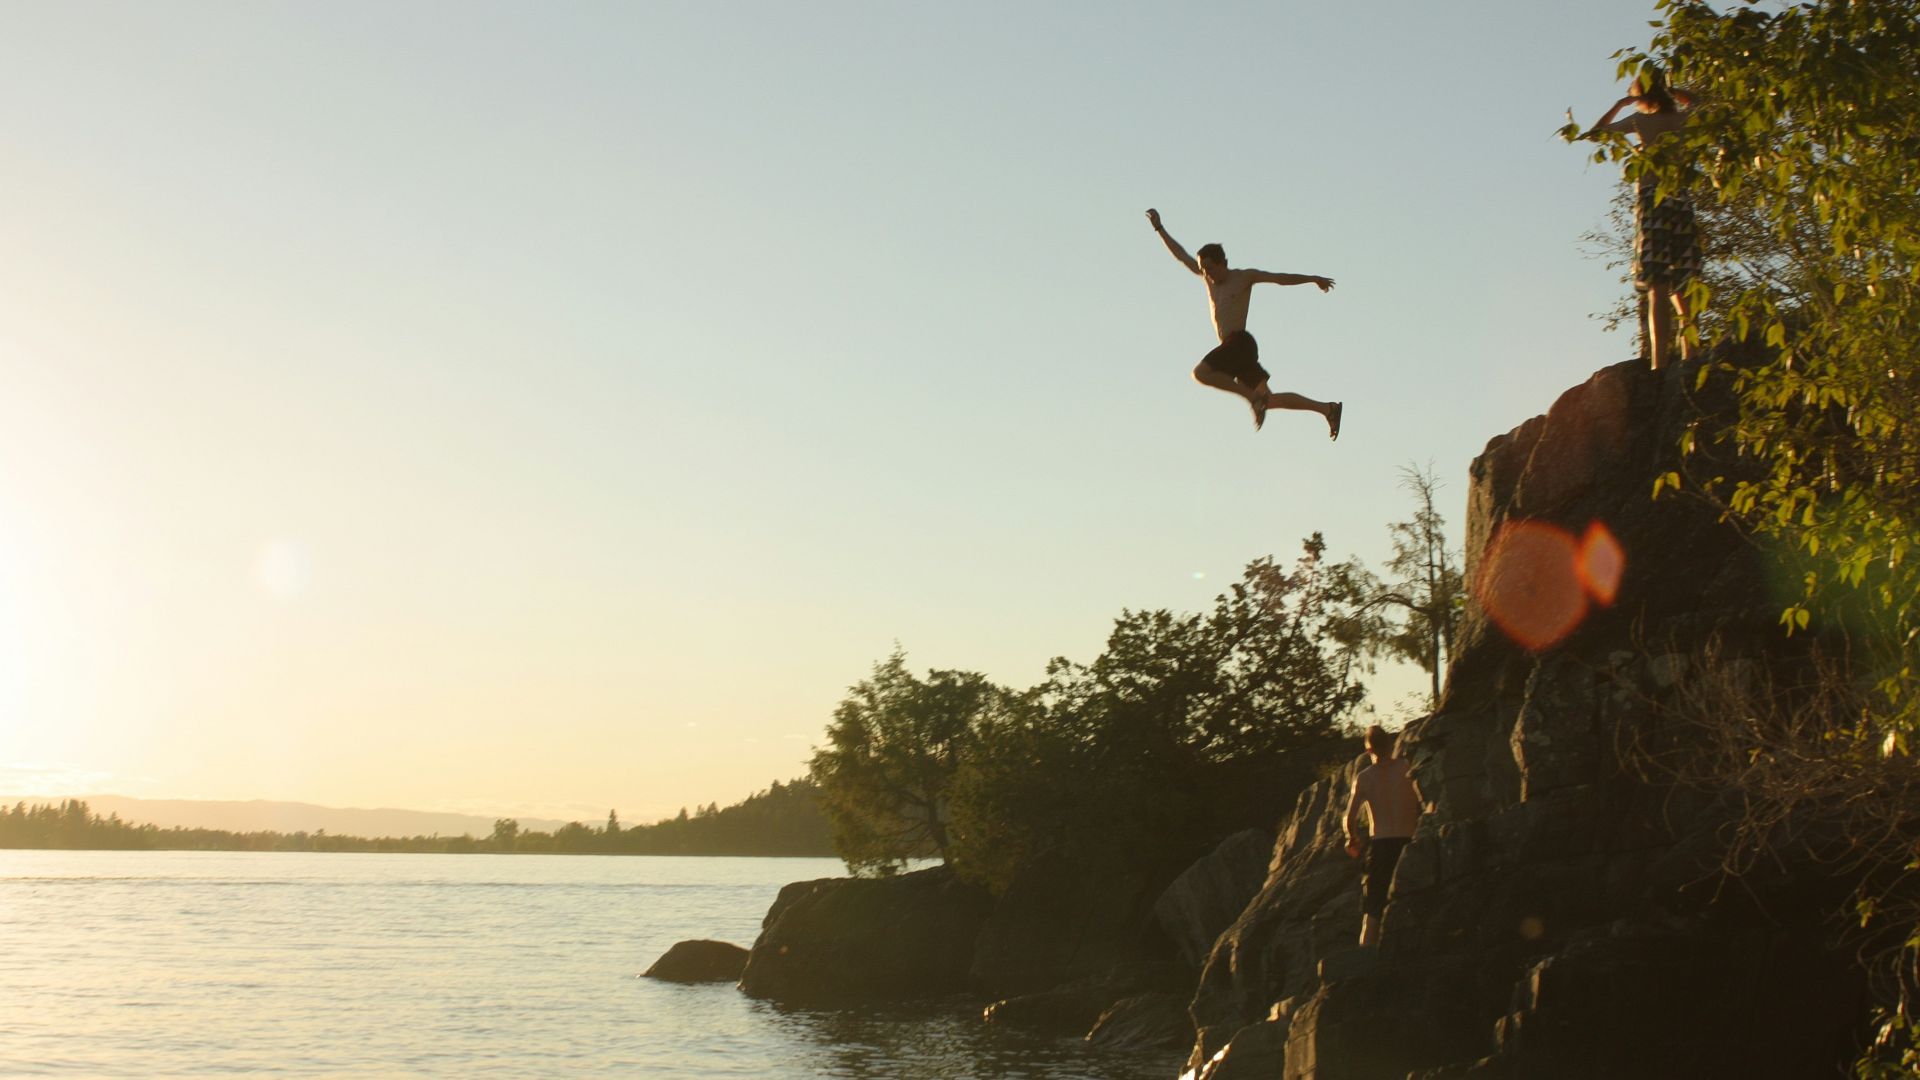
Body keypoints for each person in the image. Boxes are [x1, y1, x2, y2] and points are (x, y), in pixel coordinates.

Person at [1145, 208, 1343, 437]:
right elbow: (1181, 255)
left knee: (1201, 373)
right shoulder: (1208, 280)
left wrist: (1312, 279)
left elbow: (1279, 279)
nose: (1207, 274)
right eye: (1204, 270)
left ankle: (1252, 398)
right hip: (1235, 351)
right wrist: (1160, 229)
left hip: (1239, 343)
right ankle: (1327, 409)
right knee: (1269, 400)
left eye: (1210, 268)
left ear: (1223, 263)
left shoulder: (1243, 278)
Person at [1582, 70, 1700, 370]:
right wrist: (1672, 91)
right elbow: (1699, 102)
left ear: (1641, 95)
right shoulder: (1684, 120)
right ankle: (1691, 356)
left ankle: (1659, 365)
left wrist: (1621, 104)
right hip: (1680, 200)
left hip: (1653, 200)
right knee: (1684, 283)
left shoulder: (1641, 122)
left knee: (1657, 283)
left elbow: (1594, 134)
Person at [1344, 724, 1421, 947]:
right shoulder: (1407, 768)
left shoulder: (1365, 778)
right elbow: (1422, 803)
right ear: (1390, 744)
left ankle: (1367, 959)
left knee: (1373, 910)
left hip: (1381, 847)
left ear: (1369, 751)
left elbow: (1349, 819)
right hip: (1410, 843)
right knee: (1414, 899)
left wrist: (1352, 838)